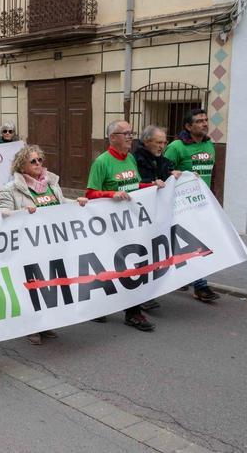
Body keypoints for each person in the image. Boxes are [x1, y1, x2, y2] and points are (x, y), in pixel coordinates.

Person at [0, 144, 89, 343]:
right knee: (32, 286)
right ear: (22, 166)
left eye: (40, 160)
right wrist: (22, 214)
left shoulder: (51, 183)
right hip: (28, 247)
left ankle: (45, 324)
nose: (38, 164)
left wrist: (77, 203)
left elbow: (60, 203)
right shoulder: (11, 189)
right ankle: (31, 327)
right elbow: (2, 214)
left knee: (50, 284)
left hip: (53, 244)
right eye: (33, 161)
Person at [86, 121, 165, 331]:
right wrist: (112, 194)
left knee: (134, 266)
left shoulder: (130, 158)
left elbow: (134, 186)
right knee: (110, 268)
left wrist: (152, 185)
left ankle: (133, 313)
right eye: (126, 133)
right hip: (110, 228)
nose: (131, 137)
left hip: (132, 225)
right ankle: (100, 306)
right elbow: (90, 193)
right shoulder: (102, 162)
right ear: (113, 137)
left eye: (131, 133)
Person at [164, 109, 220, 303]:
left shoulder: (209, 145)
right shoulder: (176, 147)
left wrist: (212, 199)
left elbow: (211, 174)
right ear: (188, 126)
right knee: (193, 243)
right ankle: (201, 285)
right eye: (199, 121)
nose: (204, 124)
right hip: (181, 206)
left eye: (206, 120)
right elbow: (164, 172)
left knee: (197, 242)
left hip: (203, 205)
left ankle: (186, 278)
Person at [133, 126, 182, 310]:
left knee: (152, 256)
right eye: (158, 142)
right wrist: (150, 184)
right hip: (139, 216)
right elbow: (135, 185)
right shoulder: (136, 159)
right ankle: (139, 297)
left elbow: (166, 175)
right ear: (147, 142)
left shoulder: (163, 161)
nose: (162, 146)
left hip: (155, 216)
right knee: (140, 257)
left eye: (164, 142)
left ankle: (146, 293)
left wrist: (175, 175)